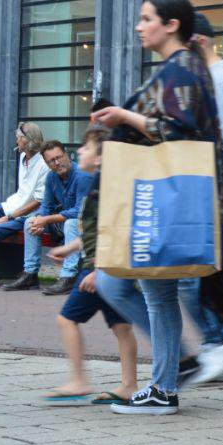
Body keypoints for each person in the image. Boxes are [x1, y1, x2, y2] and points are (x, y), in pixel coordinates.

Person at [91, 0, 223, 415]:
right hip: (158, 197)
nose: (139, 27)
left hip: (160, 199)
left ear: (171, 24)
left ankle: (164, 385)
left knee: (135, 289)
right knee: (120, 284)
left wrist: (124, 117)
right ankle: (170, 375)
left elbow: (178, 131)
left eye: (146, 19)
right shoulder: (179, 67)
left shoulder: (182, 69)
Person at [176, 13, 223, 387]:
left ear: (199, 43)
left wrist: (221, 196)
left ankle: (220, 341)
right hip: (205, 192)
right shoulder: (211, 78)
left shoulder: (220, 80)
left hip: (211, 196)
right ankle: (222, 349)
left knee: (192, 277)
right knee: (201, 277)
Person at [41, 126, 138, 404]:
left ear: (99, 157)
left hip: (98, 268)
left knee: (66, 320)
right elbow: (93, 232)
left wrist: (97, 271)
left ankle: (78, 381)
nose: (79, 152)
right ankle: (129, 385)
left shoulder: (102, 187)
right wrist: (68, 248)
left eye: (85, 148)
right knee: (121, 327)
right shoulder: (102, 184)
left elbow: (115, 231)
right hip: (104, 267)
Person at [3, 140, 91, 295]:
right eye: (52, 161)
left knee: (71, 223)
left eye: (59, 157)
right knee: (30, 222)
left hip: (87, 225)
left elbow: (80, 211)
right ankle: (30, 274)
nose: (57, 163)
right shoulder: (51, 177)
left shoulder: (81, 175)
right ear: (46, 163)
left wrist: (47, 220)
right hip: (62, 224)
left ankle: (68, 277)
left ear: (66, 155)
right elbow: (46, 205)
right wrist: (39, 219)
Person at [0, 122, 49, 285]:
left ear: (28, 141)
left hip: (23, 216)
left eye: (19, 137)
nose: (16, 140)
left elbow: (37, 202)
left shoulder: (44, 165)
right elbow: (22, 193)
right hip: (8, 206)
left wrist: (8, 217)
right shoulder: (22, 157)